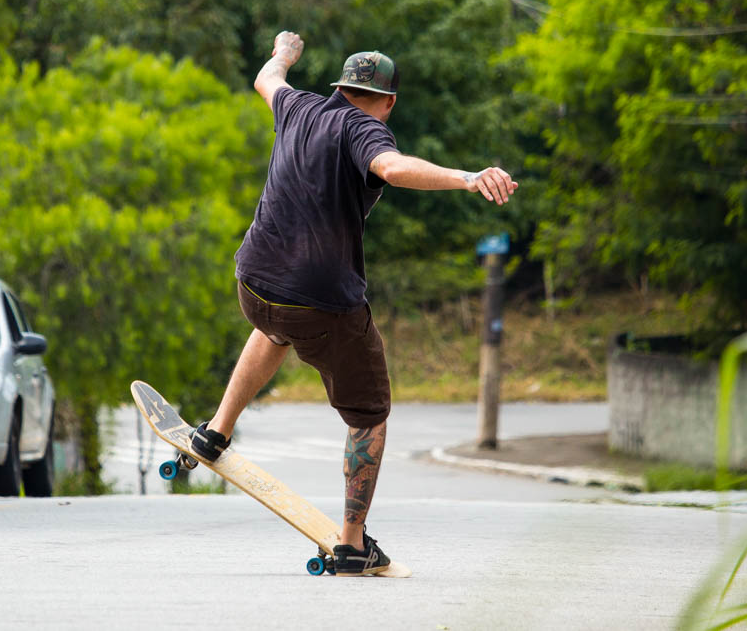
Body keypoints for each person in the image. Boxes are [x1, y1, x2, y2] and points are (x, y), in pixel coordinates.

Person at [189, 30, 517, 576]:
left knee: (274, 328)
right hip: (322, 303)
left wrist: (283, 55)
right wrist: (467, 177)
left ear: (341, 86)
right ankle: (351, 543)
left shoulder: (298, 106)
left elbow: (266, 79)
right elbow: (391, 168)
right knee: (369, 414)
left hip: (254, 284)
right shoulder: (365, 128)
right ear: (388, 101)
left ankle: (215, 432)